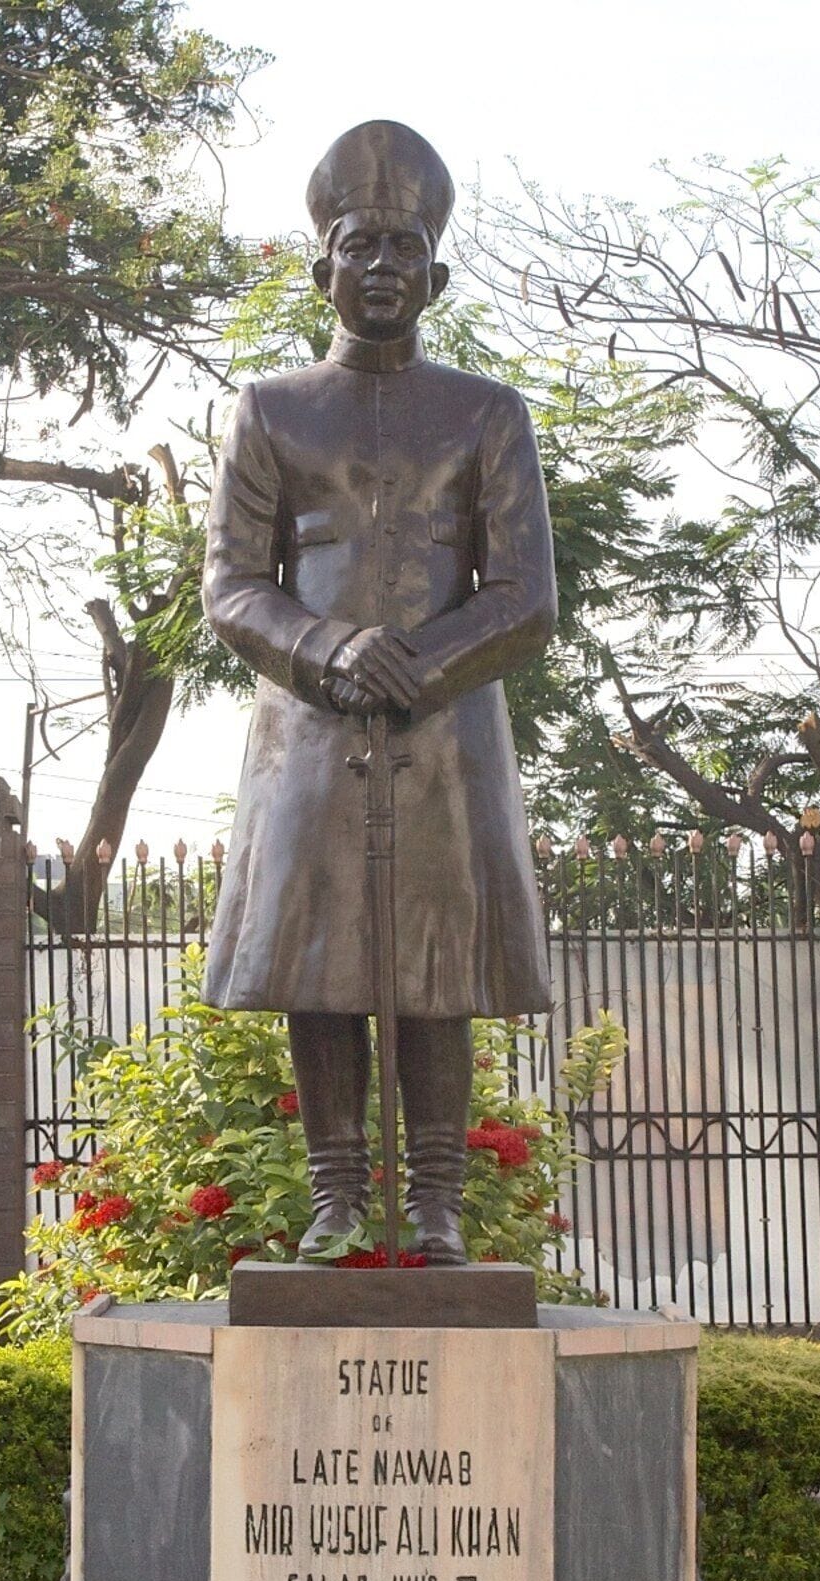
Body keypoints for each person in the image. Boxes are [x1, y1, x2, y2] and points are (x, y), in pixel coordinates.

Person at [199, 119, 558, 1262]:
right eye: (362, 247)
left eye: (405, 248)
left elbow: (526, 595)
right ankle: (336, 1197)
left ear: (437, 275)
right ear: (326, 269)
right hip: (306, 732)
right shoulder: (272, 410)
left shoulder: (487, 412)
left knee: (435, 968)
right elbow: (231, 587)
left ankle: (440, 1204)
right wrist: (330, 652)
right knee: (323, 962)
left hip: (447, 732)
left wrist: (421, 667)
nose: (384, 266)